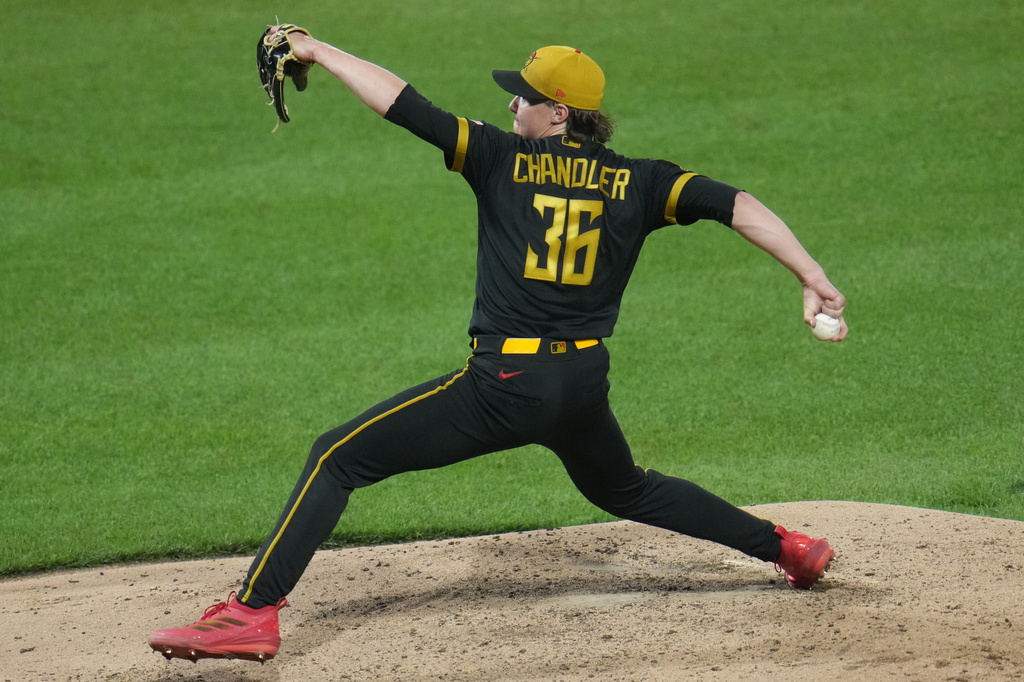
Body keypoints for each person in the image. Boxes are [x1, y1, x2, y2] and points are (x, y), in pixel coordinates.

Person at [149, 25, 848, 663]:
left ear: (560, 114)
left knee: (338, 457)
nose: (513, 106)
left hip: (506, 386)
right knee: (626, 488)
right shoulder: (642, 180)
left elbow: (403, 104)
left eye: (525, 99)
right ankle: (788, 548)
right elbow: (742, 207)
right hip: (581, 389)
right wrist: (812, 276)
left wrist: (320, 51)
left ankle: (252, 612)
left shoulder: (499, 159)